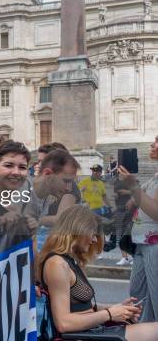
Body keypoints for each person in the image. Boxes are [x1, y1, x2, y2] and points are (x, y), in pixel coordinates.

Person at [36, 205, 158, 339]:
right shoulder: (57, 264)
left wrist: (118, 308)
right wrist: (109, 314)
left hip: (91, 330)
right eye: (92, 234)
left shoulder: (71, 260)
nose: (94, 240)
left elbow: (82, 308)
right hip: (83, 335)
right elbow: (63, 323)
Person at [120, 134, 158, 323]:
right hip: (142, 243)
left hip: (155, 245)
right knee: (138, 298)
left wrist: (134, 187)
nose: (152, 144)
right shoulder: (156, 175)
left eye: (157, 141)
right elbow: (141, 199)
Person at [0, 140, 39, 235]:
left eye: (22, 167)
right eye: (8, 165)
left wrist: (31, 233)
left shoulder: (24, 203)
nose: (16, 172)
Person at [33, 149, 81, 251]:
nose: (69, 188)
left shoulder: (49, 196)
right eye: (66, 181)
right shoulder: (19, 194)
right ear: (47, 173)